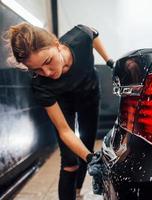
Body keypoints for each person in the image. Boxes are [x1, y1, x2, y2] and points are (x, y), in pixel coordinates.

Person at [5, 22, 113, 200]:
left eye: (48, 61)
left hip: (89, 95)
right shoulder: (40, 85)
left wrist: (109, 61)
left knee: (87, 144)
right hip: (63, 103)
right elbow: (64, 130)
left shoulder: (80, 36)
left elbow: (93, 34)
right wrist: (89, 157)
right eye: (36, 69)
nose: (46, 72)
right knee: (71, 161)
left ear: (56, 44)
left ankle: (78, 191)